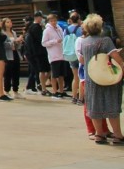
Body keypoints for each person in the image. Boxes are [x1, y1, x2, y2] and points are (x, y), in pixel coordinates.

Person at [77, 14, 124, 144]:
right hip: (107, 78)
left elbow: (81, 59)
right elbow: (116, 57)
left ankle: (99, 134)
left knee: (95, 107)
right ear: (100, 27)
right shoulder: (105, 41)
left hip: (92, 78)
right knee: (112, 105)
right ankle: (118, 135)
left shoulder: (84, 42)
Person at [42, 13, 68, 98]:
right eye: (52, 21)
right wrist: (54, 41)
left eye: (55, 20)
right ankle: (55, 91)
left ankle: (61, 90)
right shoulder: (47, 30)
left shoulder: (59, 28)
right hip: (54, 55)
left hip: (61, 54)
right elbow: (44, 43)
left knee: (61, 75)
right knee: (54, 75)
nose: (54, 22)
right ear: (49, 21)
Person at [24, 12, 49, 94]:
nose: (42, 19)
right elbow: (40, 39)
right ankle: (33, 86)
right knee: (37, 70)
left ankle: (36, 86)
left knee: (35, 70)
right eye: (41, 18)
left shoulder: (32, 27)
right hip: (37, 53)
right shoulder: (36, 27)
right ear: (37, 18)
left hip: (33, 53)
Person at [1, 18, 24, 99]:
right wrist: (14, 41)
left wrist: (18, 42)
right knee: (8, 73)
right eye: (7, 22)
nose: (10, 23)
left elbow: (17, 46)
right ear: (4, 23)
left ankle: (16, 91)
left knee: (16, 72)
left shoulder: (13, 32)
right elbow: (4, 45)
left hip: (15, 53)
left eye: (10, 22)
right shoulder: (2, 33)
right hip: (8, 55)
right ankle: (6, 91)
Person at [64, 12, 83, 104]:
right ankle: (81, 98)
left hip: (70, 54)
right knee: (81, 77)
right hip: (80, 55)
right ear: (79, 19)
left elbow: (64, 41)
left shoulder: (66, 29)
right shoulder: (81, 29)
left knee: (75, 77)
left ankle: (74, 97)